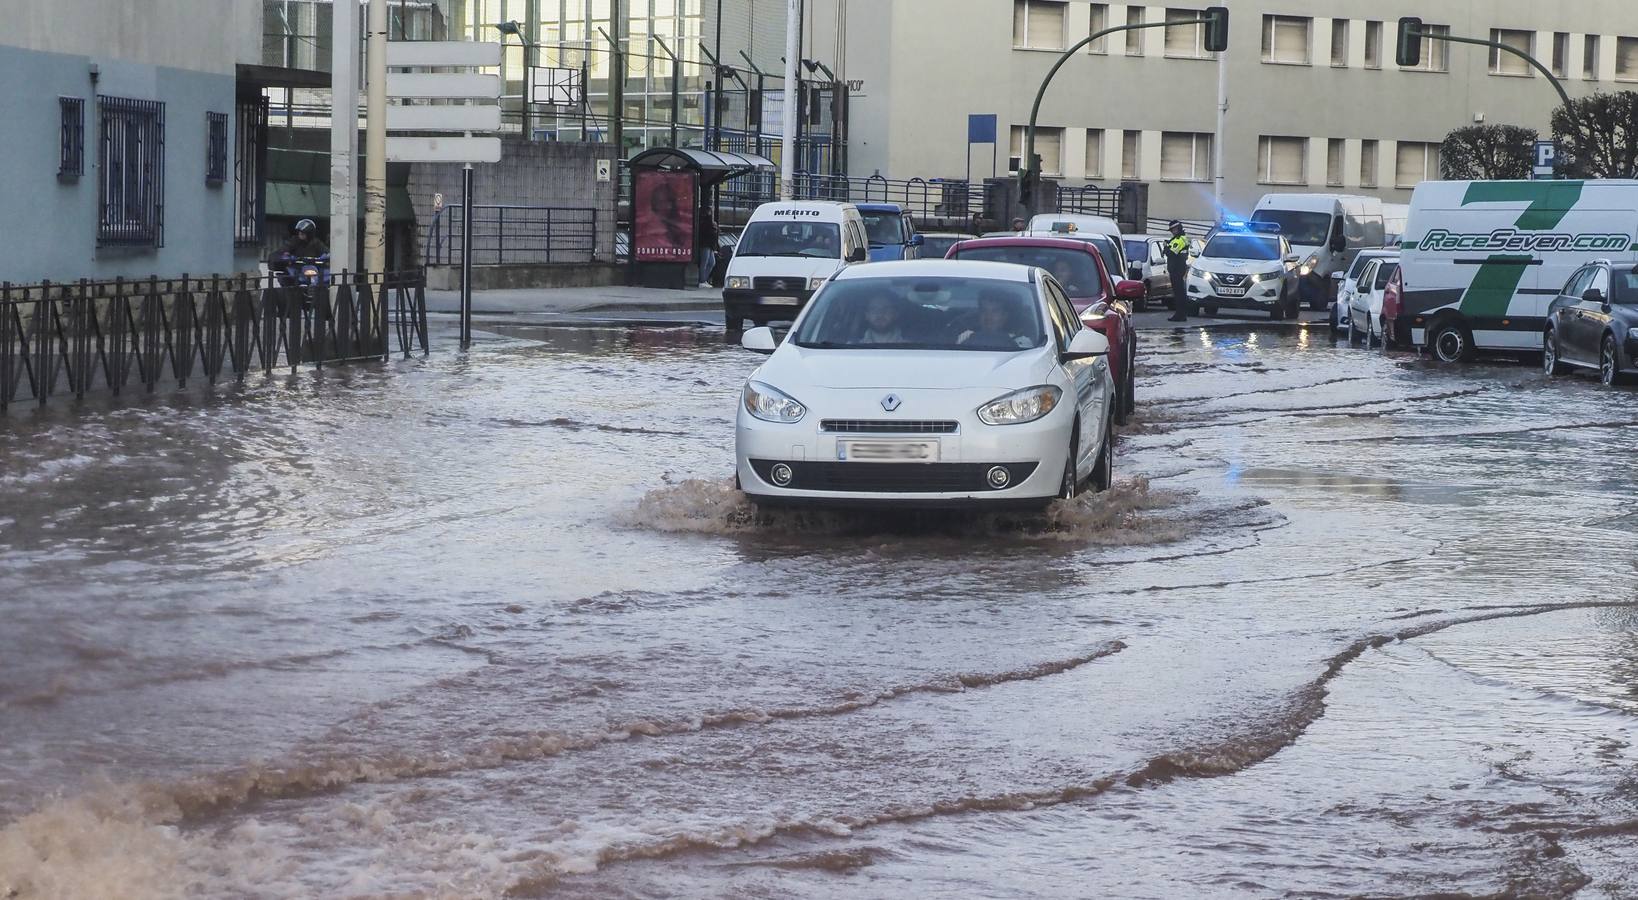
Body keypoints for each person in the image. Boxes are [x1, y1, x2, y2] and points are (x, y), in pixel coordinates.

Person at [1164, 221, 1193, 322]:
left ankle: (1180, 315)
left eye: (1172, 230)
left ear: (1177, 229)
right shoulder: (1180, 239)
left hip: (1177, 269)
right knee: (1179, 293)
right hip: (1178, 269)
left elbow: (1171, 253)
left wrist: (1166, 247)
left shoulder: (1180, 240)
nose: (1172, 232)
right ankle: (1181, 314)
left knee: (1179, 293)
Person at [698, 211, 719, 289]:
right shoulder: (705, 224)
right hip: (705, 245)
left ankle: (704, 279)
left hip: (709, 245)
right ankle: (702, 281)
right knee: (705, 262)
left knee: (711, 262)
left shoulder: (708, 224)